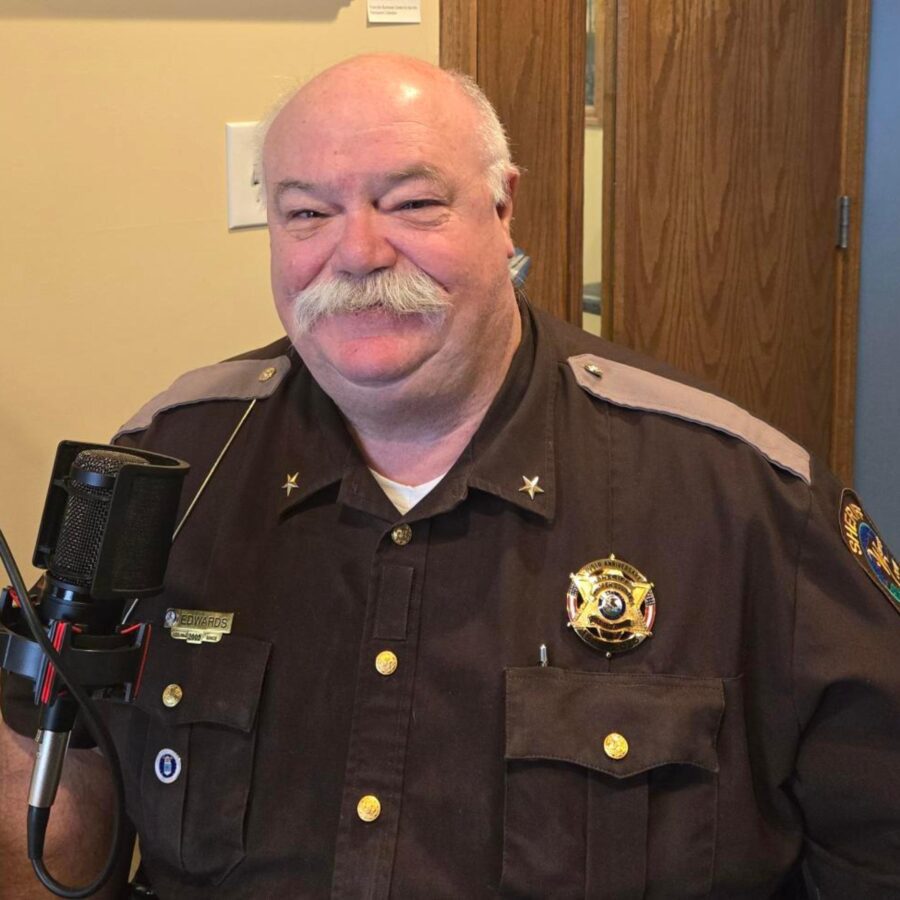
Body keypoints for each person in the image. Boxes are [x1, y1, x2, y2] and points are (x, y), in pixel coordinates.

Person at [2, 53, 899, 899]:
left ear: (503, 209)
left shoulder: (743, 499)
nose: (357, 252)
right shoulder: (173, 465)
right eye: (307, 214)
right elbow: (52, 785)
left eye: (412, 203)